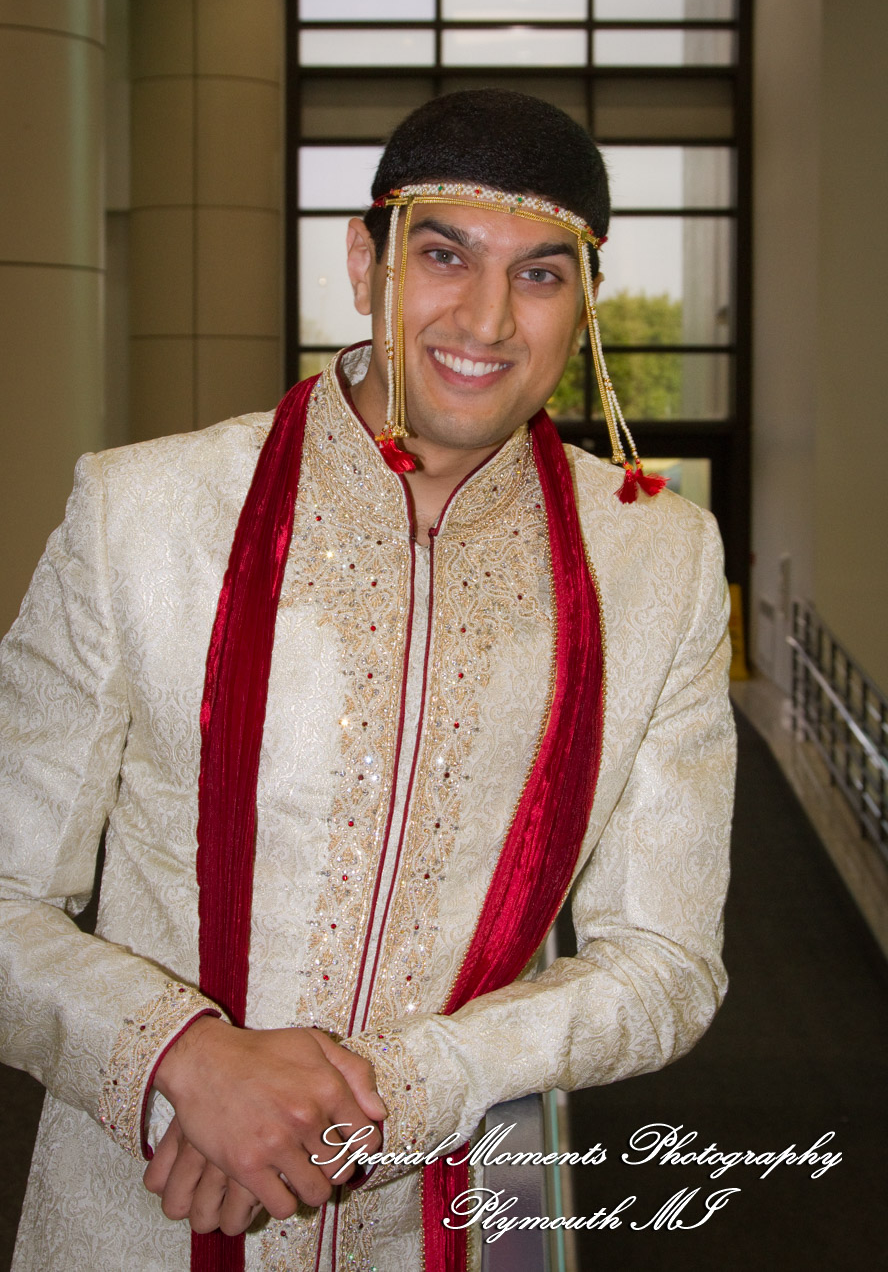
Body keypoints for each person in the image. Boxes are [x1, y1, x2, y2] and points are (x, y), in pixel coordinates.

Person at [0, 89, 736, 1272]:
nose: (488, 318)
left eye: (541, 275)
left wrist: (400, 1088)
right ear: (365, 261)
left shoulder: (659, 563)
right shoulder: (144, 514)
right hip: (144, 1201)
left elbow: (667, 961)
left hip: (461, 1209)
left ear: (581, 302)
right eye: (444, 255)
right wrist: (184, 1059)